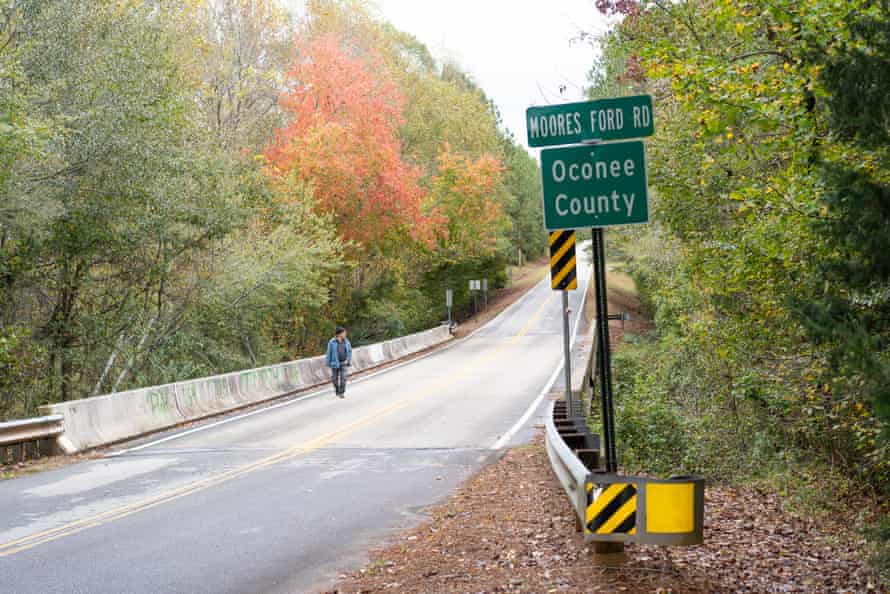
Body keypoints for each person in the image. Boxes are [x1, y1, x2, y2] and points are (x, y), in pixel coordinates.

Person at [326, 326, 352, 398]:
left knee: (343, 378)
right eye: (344, 333)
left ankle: (341, 392)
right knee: (334, 379)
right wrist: (328, 363)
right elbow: (329, 352)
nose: (345, 334)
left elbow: (349, 351)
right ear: (339, 334)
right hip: (335, 363)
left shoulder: (346, 341)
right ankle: (337, 390)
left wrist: (348, 360)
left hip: (344, 363)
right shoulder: (332, 342)